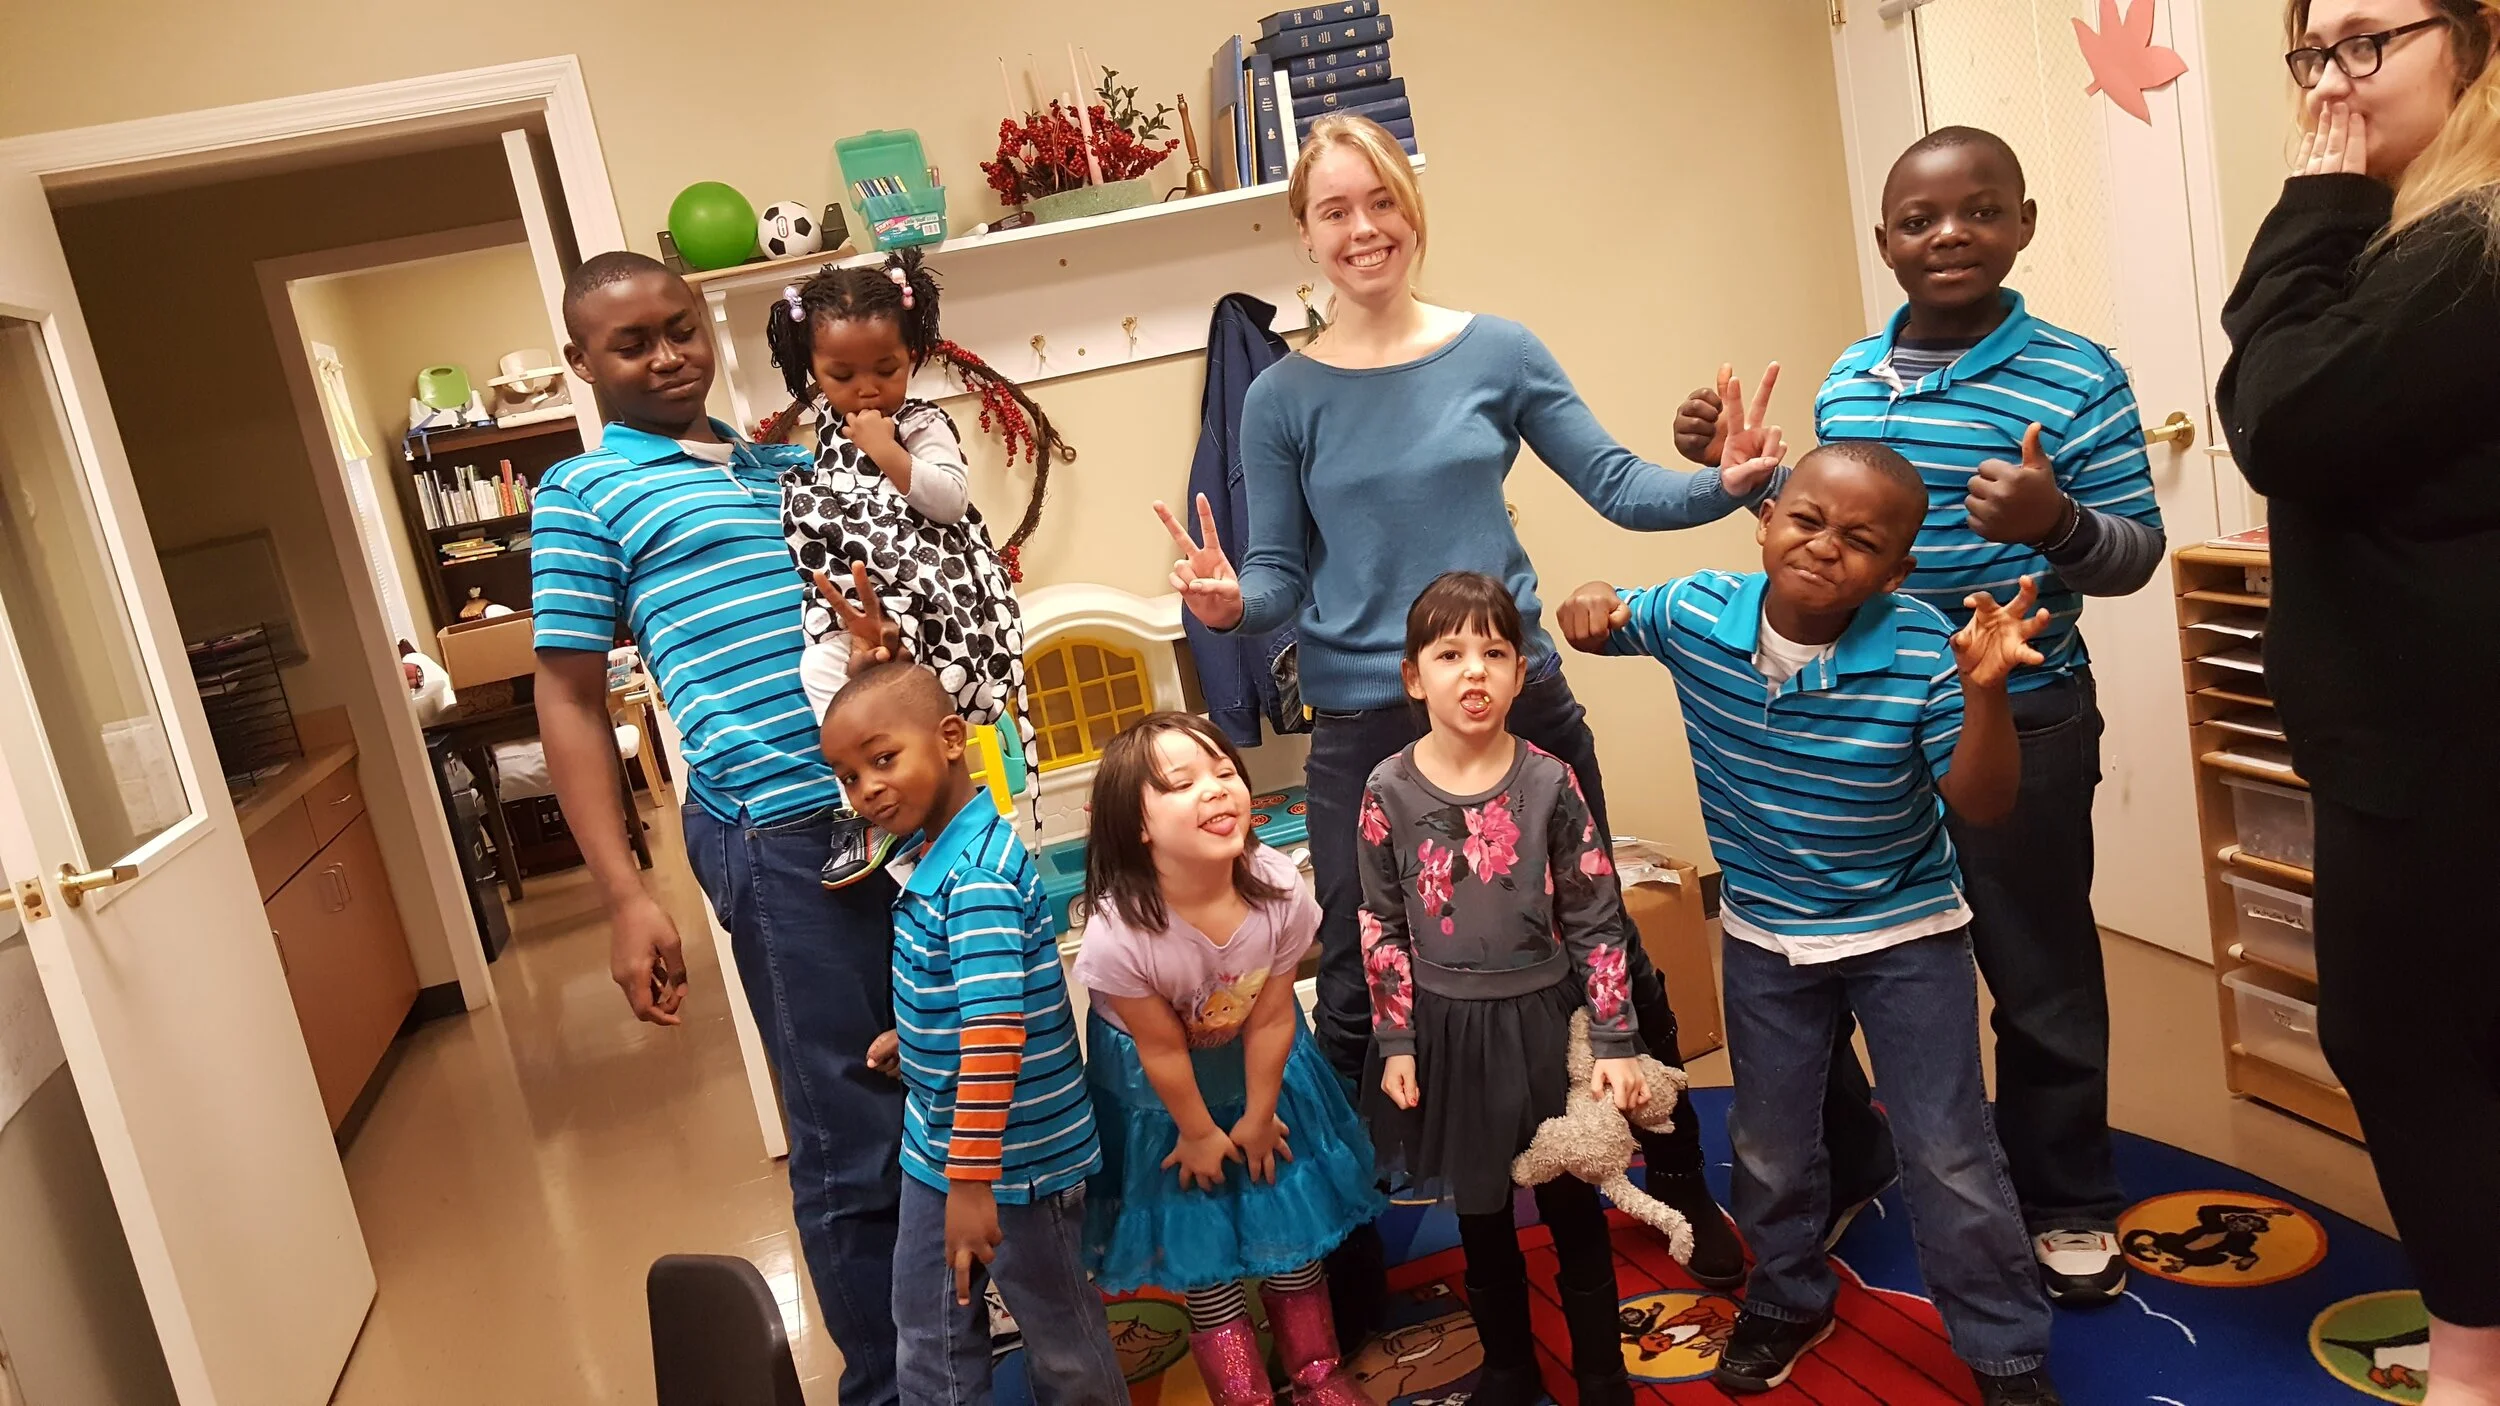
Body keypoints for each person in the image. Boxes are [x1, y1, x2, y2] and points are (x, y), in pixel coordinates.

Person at [1153, 110, 1893, 1295]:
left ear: (1411, 209)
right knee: (1355, 978)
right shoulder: (1280, 396)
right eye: (1333, 210)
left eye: (1378, 200)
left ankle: (1699, 1206)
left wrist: (1728, 484)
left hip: (1519, 703)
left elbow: (1610, 479)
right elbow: (1284, 576)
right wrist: (1231, 600)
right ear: (1303, 236)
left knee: (1609, 960)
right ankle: (1347, 1265)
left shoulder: (1494, 348)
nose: (1361, 227)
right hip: (1368, 723)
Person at [1673, 125, 2166, 1305]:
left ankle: (2065, 1196)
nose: (1949, 234)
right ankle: (1858, 1151)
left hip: (2020, 713)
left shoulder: (2077, 371)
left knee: (2034, 965)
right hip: (1853, 734)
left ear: (2023, 224)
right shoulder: (1852, 376)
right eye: (1918, 219)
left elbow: (2135, 552)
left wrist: (2054, 521)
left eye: (1980, 210)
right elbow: (1822, 530)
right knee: (1836, 957)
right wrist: (1726, 468)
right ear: (1884, 239)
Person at [1557, 442, 2062, 1406]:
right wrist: (1586, 600)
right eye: (1807, 520)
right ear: (1766, 519)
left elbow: (1985, 805)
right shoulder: (1699, 612)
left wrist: (1986, 694)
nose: (1826, 548)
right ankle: (1787, 1294)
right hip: (1764, 936)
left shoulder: (1921, 648)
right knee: (1769, 1143)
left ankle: (2005, 1348)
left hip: (1906, 931)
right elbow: (1603, 618)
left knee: (1950, 1151)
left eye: (1861, 540)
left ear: (1898, 571)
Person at [530, 251, 904, 1406]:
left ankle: (961, 1338)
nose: (666, 354)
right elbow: (572, 700)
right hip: (781, 835)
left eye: (679, 327)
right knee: (853, 1133)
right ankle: (889, 1386)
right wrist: (625, 893)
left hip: (902, 813)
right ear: (581, 363)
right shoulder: (584, 494)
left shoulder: (780, 462)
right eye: (631, 342)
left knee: (958, 1078)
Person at [2218, 1, 2500, 1395]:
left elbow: (2282, 417)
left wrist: (2311, 203)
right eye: (2314, 52)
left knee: (2406, 1041)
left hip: (2445, 752)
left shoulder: (2471, 239)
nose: (2331, 83)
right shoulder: (2429, 236)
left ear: (2482, 40)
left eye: (2367, 42)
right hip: (2420, 739)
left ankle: (2468, 1357)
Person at [1355, 571, 1651, 1406]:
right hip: (1448, 1034)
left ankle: (1602, 1371)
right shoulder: (1387, 790)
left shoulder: (1551, 781)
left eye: (1494, 651)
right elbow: (1381, 926)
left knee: (1571, 1210)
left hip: (1545, 1028)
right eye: (1450, 653)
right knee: (1481, 1219)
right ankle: (1511, 1366)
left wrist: (1617, 1039)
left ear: (1522, 673)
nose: (1474, 670)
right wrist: (1399, 1042)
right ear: (1415, 676)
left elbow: (1598, 915)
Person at [818, 657, 1125, 1406]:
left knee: (1062, 1342)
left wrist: (971, 1181)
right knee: (927, 1328)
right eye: (849, 776)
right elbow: (967, 994)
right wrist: (918, 1037)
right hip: (944, 1148)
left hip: (1012, 1164)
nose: (867, 790)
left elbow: (994, 1032)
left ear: (951, 738)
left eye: (883, 759)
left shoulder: (978, 877)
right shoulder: (933, 859)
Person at [1072, 712, 1385, 1406]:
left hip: (1261, 1064)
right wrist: (1198, 1132)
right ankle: (1242, 1393)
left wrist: (1261, 1113)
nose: (1216, 789)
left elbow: (1274, 1013)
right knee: (1203, 1246)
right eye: (1182, 783)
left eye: (1222, 772)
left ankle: (1317, 1371)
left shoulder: (1276, 886)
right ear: (1138, 827)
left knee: (1290, 1222)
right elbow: (1158, 1046)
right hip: (1165, 1094)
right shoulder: (1120, 932)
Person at [768, 248, 1051, 886]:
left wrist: (887, 451)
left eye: (886, 369)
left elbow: (948, 500)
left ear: (913, 356)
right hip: (873, 600)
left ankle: (942, 814)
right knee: (822, 668)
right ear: (810, 369)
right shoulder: (824, 437)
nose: (866, 389)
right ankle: (869, 806)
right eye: (841, 376)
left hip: (935, 596)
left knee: (915, 707)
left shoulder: (920, 423)